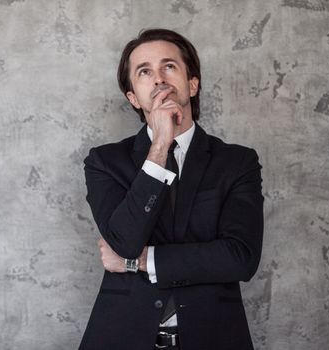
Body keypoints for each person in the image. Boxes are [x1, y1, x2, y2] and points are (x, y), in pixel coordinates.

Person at [79, 28, 264, 350]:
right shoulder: (104, 162)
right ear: (133, 97)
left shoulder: (237, 162)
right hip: (121, 337)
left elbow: (240, 258)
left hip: (215, 337)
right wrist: (161, 144)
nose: (159, 79)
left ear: (192, 84)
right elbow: (124, 241)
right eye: (145, 71)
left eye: (169, 66)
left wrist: (139, 261)